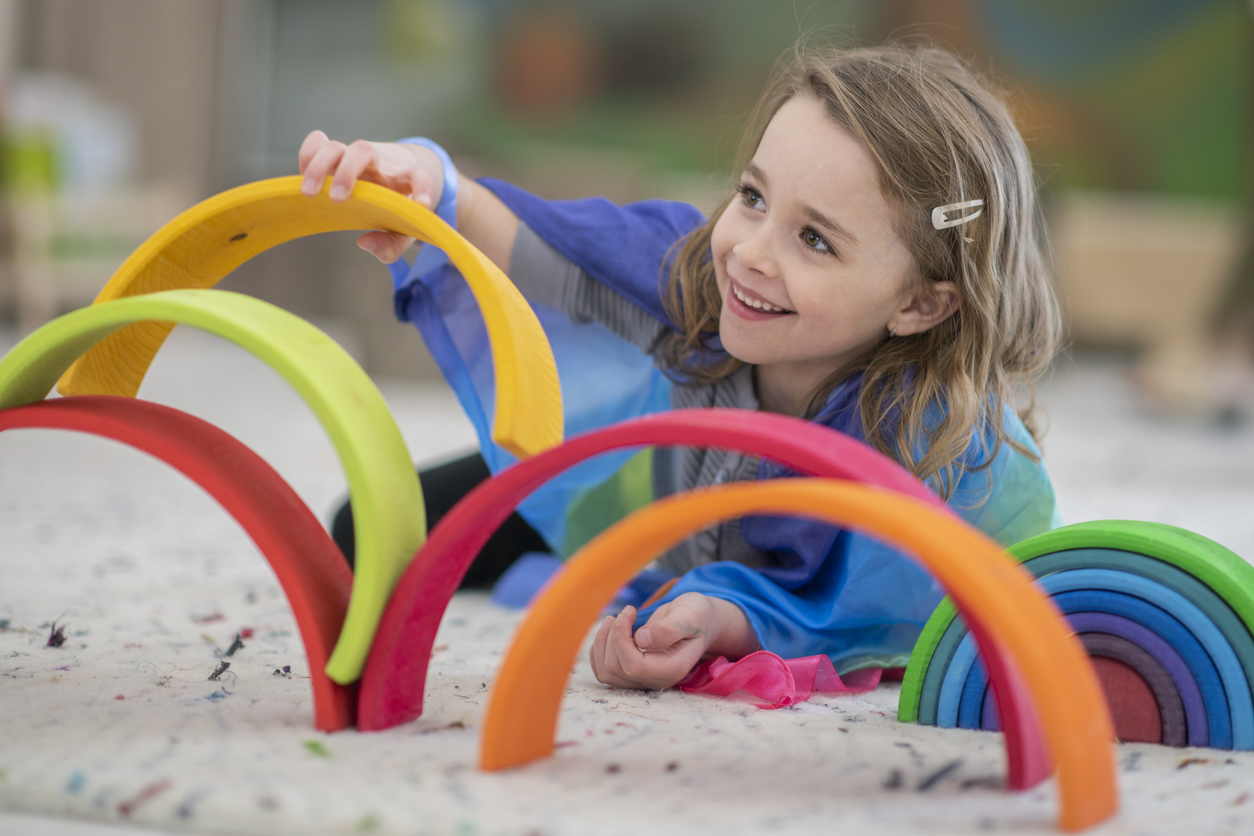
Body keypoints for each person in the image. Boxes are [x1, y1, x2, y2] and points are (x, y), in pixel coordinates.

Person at [298, 44, 1062, 693]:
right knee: (364, 531)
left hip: (722, 568)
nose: (753, 253)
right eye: (754, 197)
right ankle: (564, 536)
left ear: (921, 306)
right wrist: (423, 182)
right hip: (635, 487)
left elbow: (861, 616)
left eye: (816, 240)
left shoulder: (936, 452)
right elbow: (541, 248)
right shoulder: (694, 276)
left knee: (674, 606)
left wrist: (714, 619)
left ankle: (597, 558)